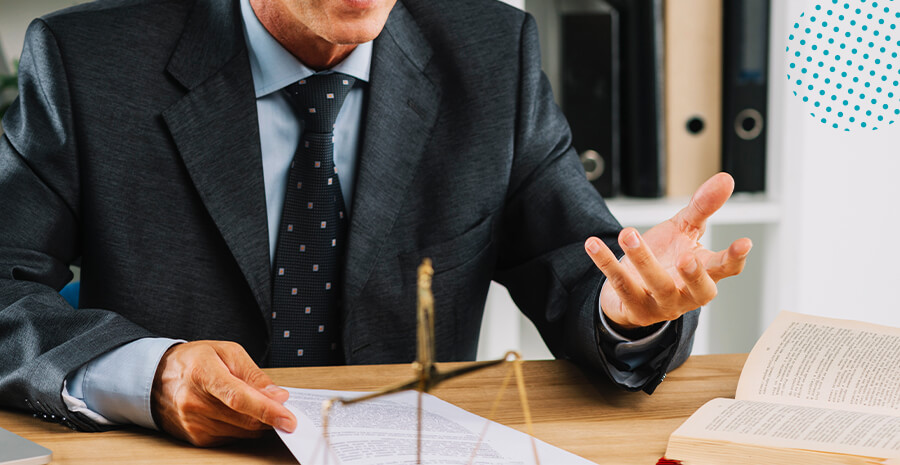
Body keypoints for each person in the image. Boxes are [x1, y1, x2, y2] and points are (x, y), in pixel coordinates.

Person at [0, 0, 751, 447]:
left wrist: (629, 312)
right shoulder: (86, 59)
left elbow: (577, 263)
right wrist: (150, 376)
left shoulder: (494, 52)